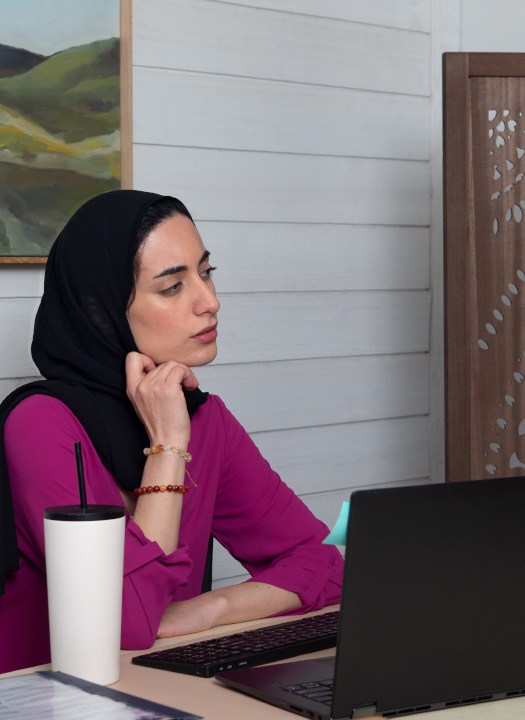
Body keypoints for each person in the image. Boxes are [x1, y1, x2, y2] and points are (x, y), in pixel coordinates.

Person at [0, 190, 344, 673]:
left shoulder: (204, 418)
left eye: (206, 273)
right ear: (102, 311)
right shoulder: (40, 424)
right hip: (45, 699)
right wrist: (166, 446)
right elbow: (126, 623)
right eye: (172, 287)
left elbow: (326, 564)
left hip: (162, 689)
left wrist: (210, 608)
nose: (211, 302)